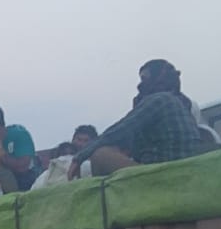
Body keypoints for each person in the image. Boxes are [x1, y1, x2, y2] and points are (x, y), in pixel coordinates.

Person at [69, 59, 203, 178]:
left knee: (100, 155)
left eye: (145, 79)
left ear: (158, 78)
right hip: (182, 170)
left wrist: (80, 157)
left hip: (165, 173)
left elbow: (121, 129)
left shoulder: (160, 99)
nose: (140, 85)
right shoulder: (182, 103)